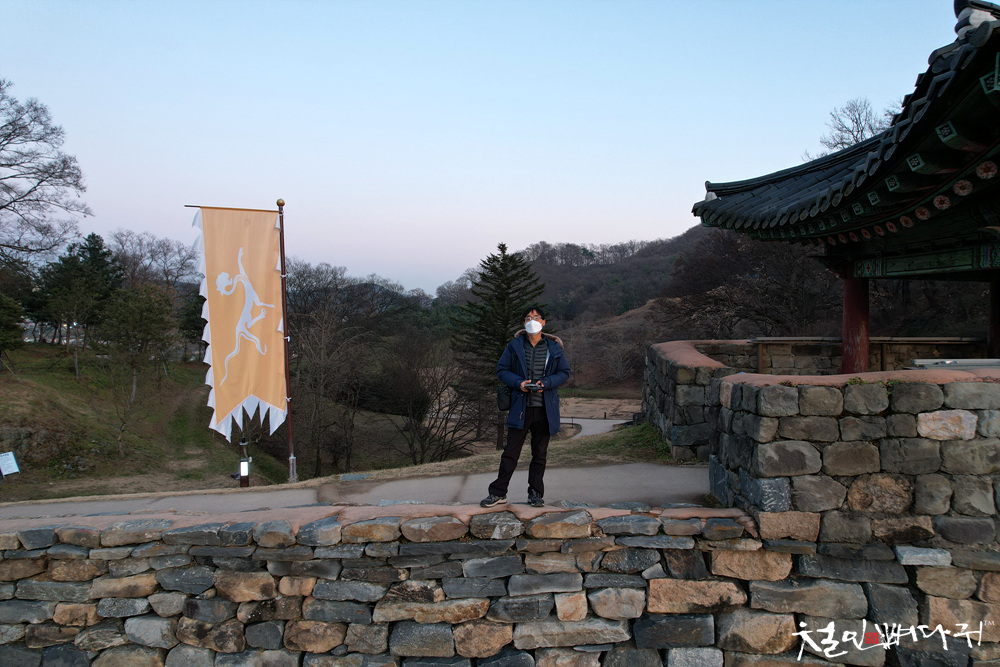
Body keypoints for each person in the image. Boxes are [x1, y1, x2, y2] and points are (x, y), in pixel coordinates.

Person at [481, 306, 570, 508]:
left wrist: (546, 383)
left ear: (544, 322)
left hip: (545, 409)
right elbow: (502, 370)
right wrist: (518, 383)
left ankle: (535, 493)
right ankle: (498, 493)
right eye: (528, 318)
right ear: (523, 323)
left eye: (536, 317)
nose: (532, 321)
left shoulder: (554, 348)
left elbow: (564, 372)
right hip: (520, 408)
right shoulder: (514, 346)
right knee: (510, 453)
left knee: (539, 454)